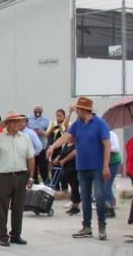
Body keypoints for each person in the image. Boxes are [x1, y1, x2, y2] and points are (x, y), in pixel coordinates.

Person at [48, 97, 111, 240]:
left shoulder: (100, 124)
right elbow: (66, 137)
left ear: (84, 110)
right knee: (85, 197)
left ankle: (102, 225)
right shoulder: (77, 124)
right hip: (82, 167)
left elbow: (107, 145)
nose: (76, 111)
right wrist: (53, 146)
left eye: (77, 109)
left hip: (97, 167)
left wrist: (106, 166)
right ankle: (87, 227)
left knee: (100, 196)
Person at [0, 111, 35, 246]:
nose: (17, 124)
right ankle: (2, 235)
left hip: (21, 175)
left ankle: (16, 234)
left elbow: (31, 158)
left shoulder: (25, 138)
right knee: (2, 208)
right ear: (8, 124)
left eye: (18, 121)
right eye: (14, 122)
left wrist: (31, 177)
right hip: (4, 177)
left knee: (18, 207)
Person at [28, 104, 50, 184]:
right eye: (36, 110)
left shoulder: (46, 120)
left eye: (39, 110)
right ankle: (34, 183)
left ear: (42, 111)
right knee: (33, 167)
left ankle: (46, 183)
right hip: (31, 148)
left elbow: (49, 132)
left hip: (42, 147)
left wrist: (42, 132)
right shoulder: (29, 119)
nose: (37, 111)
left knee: (43, 167)